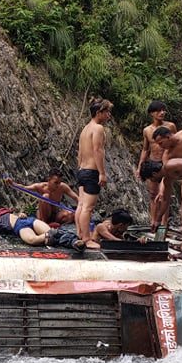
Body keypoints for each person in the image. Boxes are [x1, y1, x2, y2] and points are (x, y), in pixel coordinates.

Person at [135, 101, 177, 235]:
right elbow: (145, 149)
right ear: (151, 113)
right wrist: (140, 166)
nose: (162, 113)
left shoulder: (170, 126)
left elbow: (176, 142)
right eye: (158, 111)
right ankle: (153, 222)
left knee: (165, 195)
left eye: (163, 110)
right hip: (153, 163)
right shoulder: (147, 130)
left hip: (167, 164)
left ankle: (163, 225)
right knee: (153, 195)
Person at [76, 97, 113, 250]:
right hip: (91, 171)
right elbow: (98, 150)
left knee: (81, 205)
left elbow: (79, 153)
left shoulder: (85, 128)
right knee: (87, 208)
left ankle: (80, 233)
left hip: (82, 170)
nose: (109, 116)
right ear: (99, 112)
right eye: (107, 112)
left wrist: (80, 169)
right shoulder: (98, 128)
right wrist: (102, 173)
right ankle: (86, 238)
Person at [6, 168, 78, 225]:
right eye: (55, 183)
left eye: (59, 183)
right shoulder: (40, 186)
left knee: (70, 215)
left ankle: (54, 225)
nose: (58, 185)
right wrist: (13, 184)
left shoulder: (63, 187)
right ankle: (44, 224)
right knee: (45, 196)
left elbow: (75, 197)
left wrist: (84, 208)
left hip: (55, 214)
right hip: (43, 215)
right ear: (49, 180)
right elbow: (25, 188)